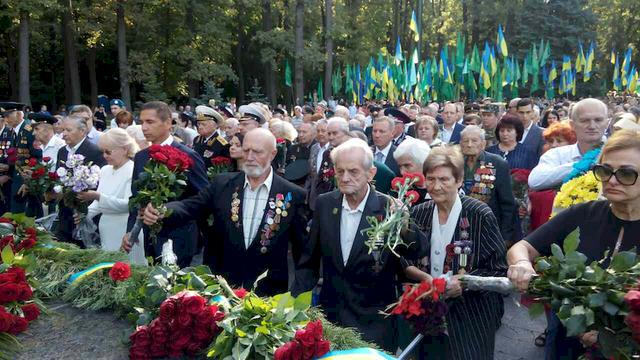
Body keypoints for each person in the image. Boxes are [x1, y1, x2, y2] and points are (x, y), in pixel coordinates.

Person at [507, 129, 640, 360]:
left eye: (626, 174)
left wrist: (612, 335)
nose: (612, 180)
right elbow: (523, 247)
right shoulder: (583, 213)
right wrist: (521, 263)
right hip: (567, 346)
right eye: (605, 171)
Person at [292, 138, 426, 351]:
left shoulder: (388, 208)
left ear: (370, 173)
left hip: (374, 324)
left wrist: (405, 223)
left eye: (353, 172)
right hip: (331, 321)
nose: (345, 178)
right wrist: (295, 306)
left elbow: (418, 250)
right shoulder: (325, 204)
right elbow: (309, 261)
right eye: (340, 171)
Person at [141, 128, 308, 295]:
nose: (249, 157)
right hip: (221, 289)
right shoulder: (222, 184)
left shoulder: (292, 195)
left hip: (268, 293)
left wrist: (297, 294)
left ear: (272, 154)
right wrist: (164, 210)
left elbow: (302, 251)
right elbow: (190, 206)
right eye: (246, 150)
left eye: (257, 152)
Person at [410, 145, 507, 360]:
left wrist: (464, 282)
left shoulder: (479, 214)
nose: (436, 186)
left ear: (459, 180)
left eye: (444, 179)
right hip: (428, 315)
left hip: (470, 316)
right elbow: (407, 258)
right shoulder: (418, 213)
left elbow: (499, 270)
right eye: (430, 179)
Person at [121, 101, 208, 267]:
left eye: (150, 122)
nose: (144, 127)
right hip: (151, 238)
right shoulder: (141, 157)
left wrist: (170, 210)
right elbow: (136, 198)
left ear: (168, 123)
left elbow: (203, 198)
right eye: (141, 122)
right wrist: (131, 231)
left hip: (180, 237)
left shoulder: (187, 155)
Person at [75, 128, 145, 264]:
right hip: (106, 227)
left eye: (109, 151)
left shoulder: (132, 170)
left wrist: (98, 196)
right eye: (103, 152)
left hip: (126, 227)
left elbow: (128, 205)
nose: (105, 156)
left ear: (124, 149)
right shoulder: (105, 170)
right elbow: (98, 202)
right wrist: (85, 215)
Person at [529, 98, 609, 191]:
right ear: (572, 125)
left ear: (607, 124)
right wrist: (580, 165)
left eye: (598, 120)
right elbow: (535, 181)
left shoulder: (619, 154)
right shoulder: (556, 154)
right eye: (585, 121)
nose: (592, 126)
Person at [53, 116, 106, 246]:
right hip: (65, 213)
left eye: (68, 130)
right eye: (63, 130)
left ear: (82, 131)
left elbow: (99, 183)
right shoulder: (62, 151)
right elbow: (58, 177)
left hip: (86, 213)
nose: (64, 134)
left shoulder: (95, 151)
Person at [460, 125, 518, 243]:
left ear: (483, 143)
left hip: (488, 227)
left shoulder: (497, 163)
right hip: (460, 225)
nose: (469, 144)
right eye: (466, 141)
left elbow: (507, 203)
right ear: (460, 143)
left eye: (474, 140)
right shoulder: (455, 162)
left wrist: (504, 237)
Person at [528, 122, 578, 232]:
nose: (554, 145)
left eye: (559, 141)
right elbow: (534, 182)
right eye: (550, 141)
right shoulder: (545, 160)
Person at [4, 103, 43, 217]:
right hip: (17, 178)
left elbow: (37, 157)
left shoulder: (28, 130)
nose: (5, 119)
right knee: (17, 214)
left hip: (27, 181)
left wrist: (29, 181)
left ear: (17, 114)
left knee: (28, 216)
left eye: (7, 115)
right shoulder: (14, 131)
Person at [393, 137, 431, 205]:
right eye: (400, 166)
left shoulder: (436, 190)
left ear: (423, 163)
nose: (402, 172)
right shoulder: (401, 188)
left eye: (407, 166)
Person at [285, 122, 316, 186]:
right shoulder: (293, 148)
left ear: (313, 134)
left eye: (304, 132)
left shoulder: (316, 149)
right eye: (299, 132)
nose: (301, 135)